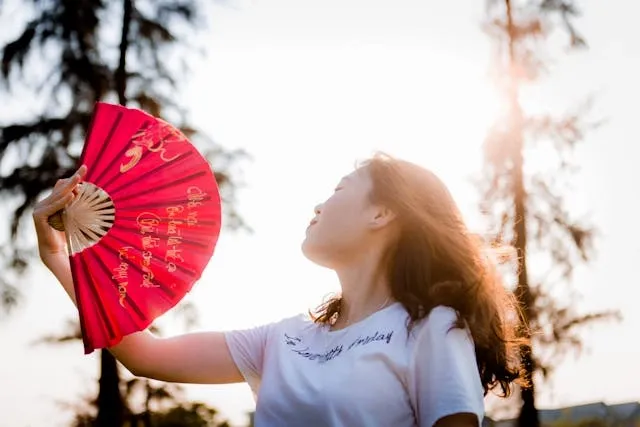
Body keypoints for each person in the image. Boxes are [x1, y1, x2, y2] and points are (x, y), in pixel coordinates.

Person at [33, 153, 525, 427]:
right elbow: (145, 355)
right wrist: (61, 259)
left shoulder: (432, 326)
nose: (318, 204)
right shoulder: (284, 340)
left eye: (338, 188)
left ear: (383, 213)